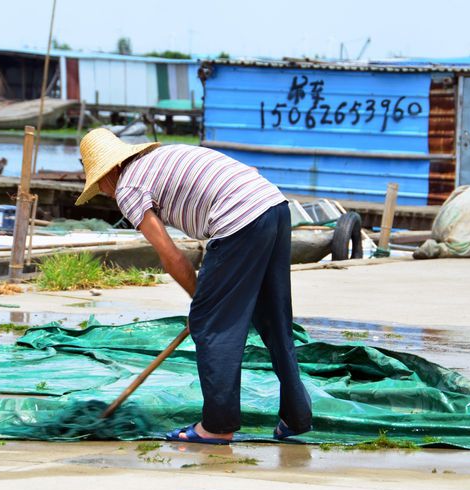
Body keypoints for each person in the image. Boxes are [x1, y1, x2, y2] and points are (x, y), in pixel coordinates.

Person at [76, 128, 313, 444]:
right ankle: (295, 416)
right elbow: (248, 173)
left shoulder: (128, 188)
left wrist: (202, 307)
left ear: (111, 170)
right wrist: (206, 303)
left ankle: (217, 427)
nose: (104, 193)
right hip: (274, 206)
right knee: (274, 320)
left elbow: (171, 256)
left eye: (100, 185)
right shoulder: (157, 158)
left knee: (213, 327)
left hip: (238, 219)